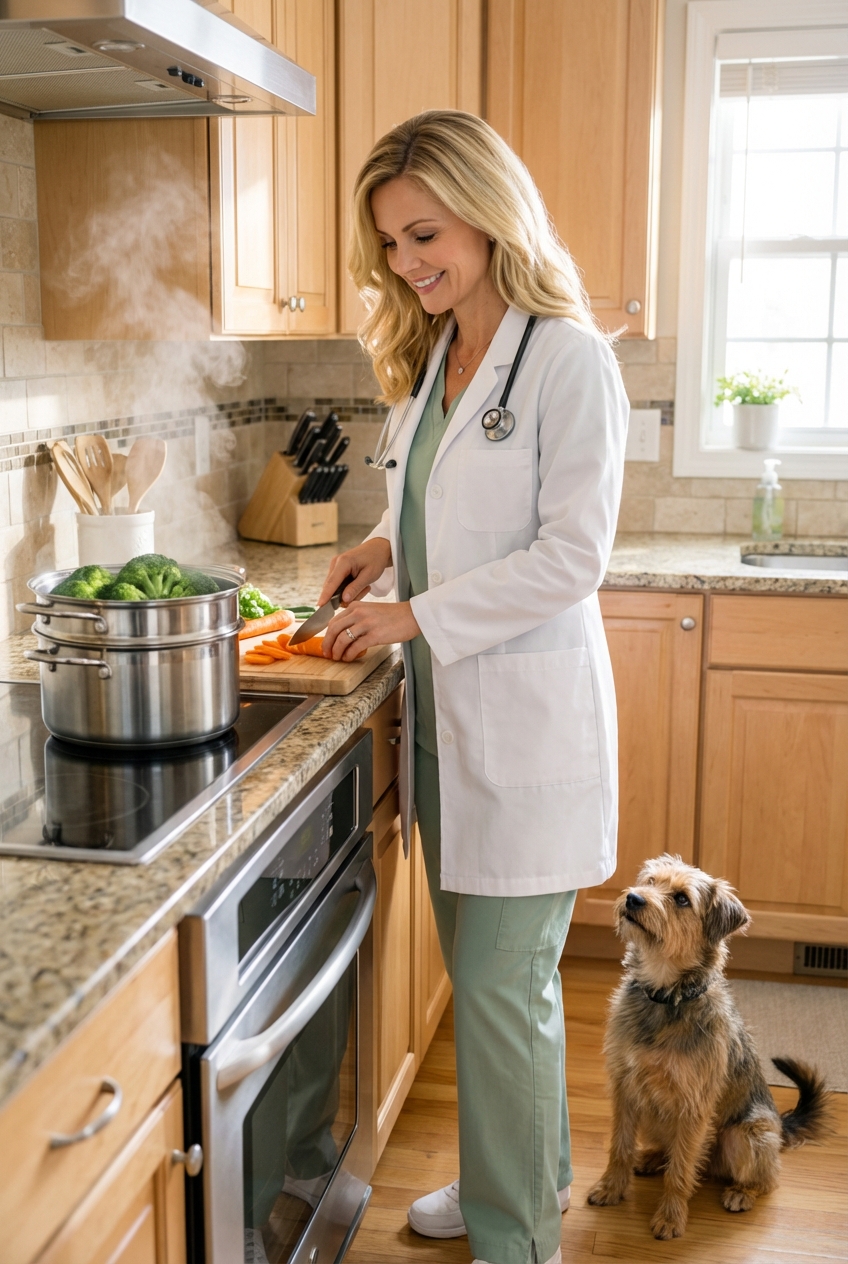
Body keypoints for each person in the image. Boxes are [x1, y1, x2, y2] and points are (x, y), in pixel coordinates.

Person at [317, 110, 628, 1264]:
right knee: (486, 984)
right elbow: (441, 511)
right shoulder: (433, 359)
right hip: (448, 728)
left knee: (504, 995)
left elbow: (569, 553)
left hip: (521, 726)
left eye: (425, 234)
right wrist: (377, 549)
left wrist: (411, 615)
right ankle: (525, 1174)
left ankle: (516, 1237)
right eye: (391, 244)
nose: (406, 264)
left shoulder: (567, 357)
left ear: (488, 216)